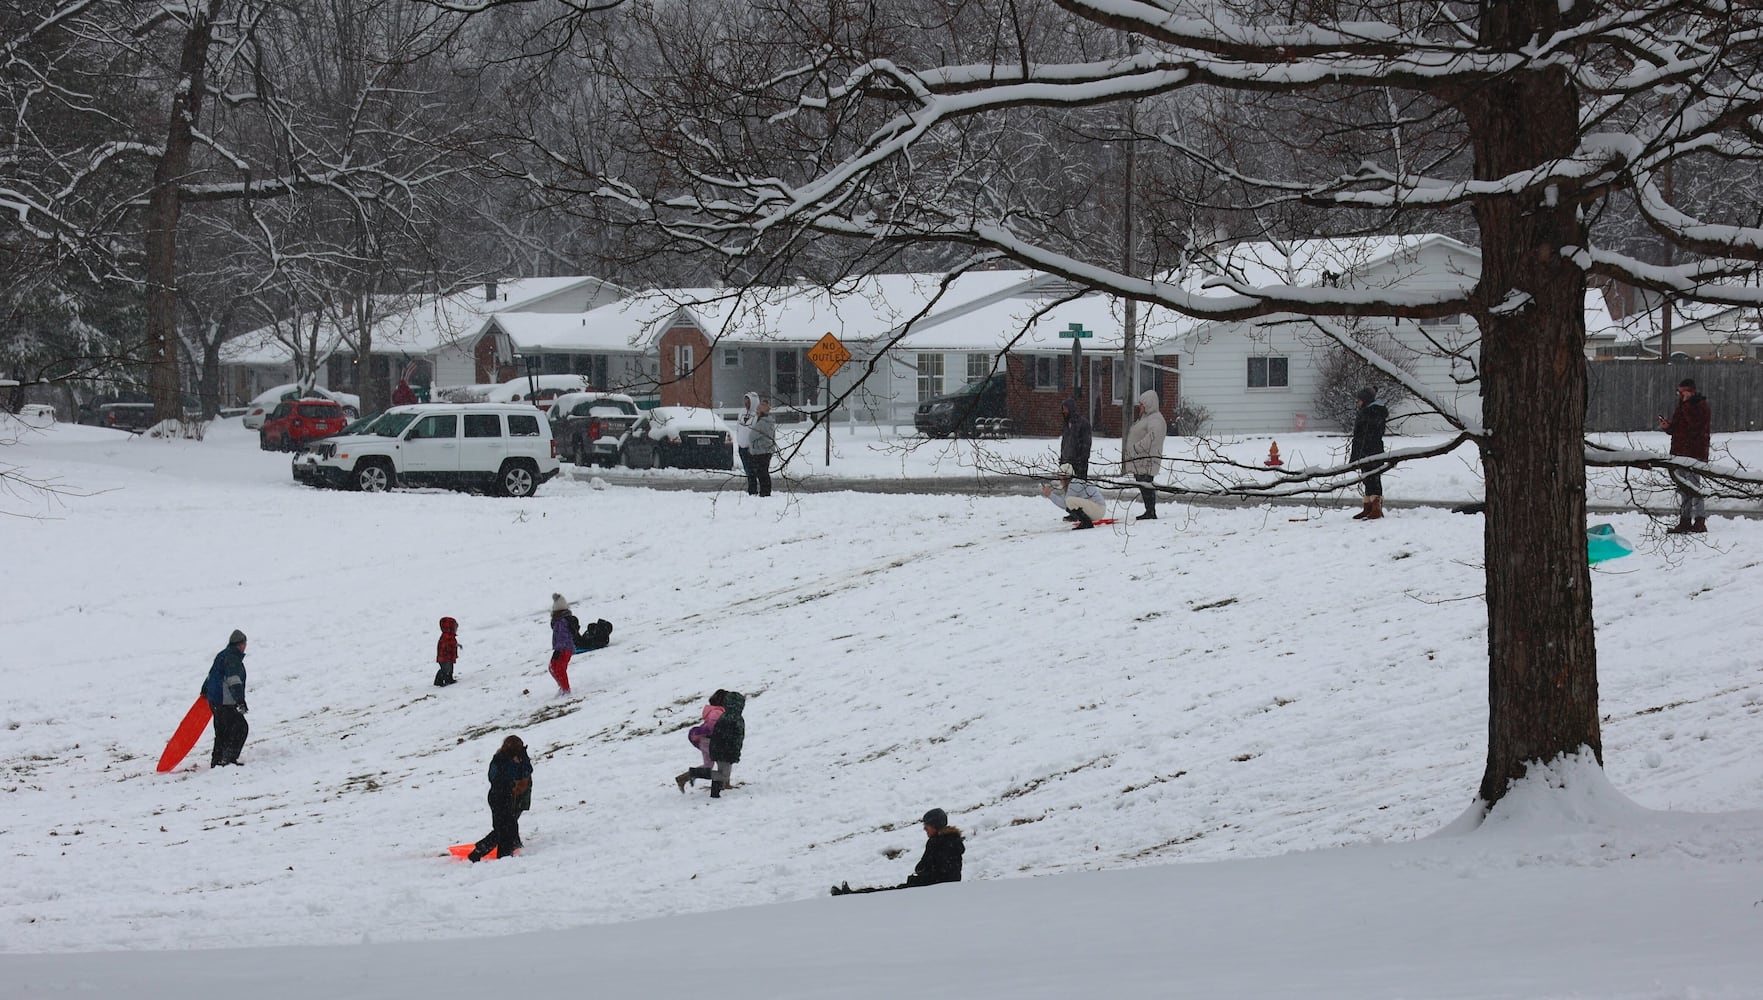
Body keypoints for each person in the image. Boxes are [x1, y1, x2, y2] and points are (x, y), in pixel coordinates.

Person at [832, 808, 965, 895]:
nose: (925, 828)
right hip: (932, 889)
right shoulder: (947, 841)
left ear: (935, 825)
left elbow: (934, 871)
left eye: (927, 825)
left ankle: (852, 896)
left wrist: (919, 878)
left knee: (889, 895)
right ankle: (853, 895)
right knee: (890, 893)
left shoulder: (940, 842)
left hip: (931, 890)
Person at [467, 735, 533, 862]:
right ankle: (485, 853)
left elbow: (527, 771)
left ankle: (501, 853)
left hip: (507, 796)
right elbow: (501, 776)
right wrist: (517, 763)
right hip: (498, 796)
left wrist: (523, 759)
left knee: (508, 826)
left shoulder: (514, 759)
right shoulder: (500, 759)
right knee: (503, 828)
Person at [1660, 377, 1711, 534]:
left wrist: (1687, 405)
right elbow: (1677, 428)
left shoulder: (1700, 406)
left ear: (1692, 391)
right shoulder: (1682, 407)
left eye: (1684, 392)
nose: (1681, 395)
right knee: (1683, 488)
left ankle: (1700, 521)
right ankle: (1685, 520)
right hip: (1679, 452)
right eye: (1679, 392)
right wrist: (1667, 427)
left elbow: (1695, 425)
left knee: (1694, 488)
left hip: (1694, 452)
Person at [202, 629, 249, 767]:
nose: (245, 646)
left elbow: (212, 674)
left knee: (222, 731)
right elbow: (234, 681)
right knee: (240, 728)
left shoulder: (222, 655)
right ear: (240, 644)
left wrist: (205, 690)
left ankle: (217, 760)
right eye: (244, 643)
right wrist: (240, 700)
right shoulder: (233, 658)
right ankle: (228, 759)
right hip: (225, 701)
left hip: (214, 700)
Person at [1123, 388, 1167, 520]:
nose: (1140, 407)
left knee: (1146, 485)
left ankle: (1150, 511)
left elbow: (1153, 437)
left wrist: (1137, 448)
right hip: (1140, 459)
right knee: (1143, 485)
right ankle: (1149, 510)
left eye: (1142, 404)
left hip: (1147, 460)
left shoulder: (1155, 419)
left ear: (1149, 404)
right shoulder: (1146, 418)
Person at [675, 689, 727, 791]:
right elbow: (711, 726)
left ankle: (683, 778)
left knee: (708, 766)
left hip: (705, 740)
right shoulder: (717, 712)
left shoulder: (715, 710)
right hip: (709, 741)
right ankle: (723, 784)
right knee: (724, 761)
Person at [1349, 387, 1388, 520]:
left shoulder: (1374, 412)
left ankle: (1376, 507)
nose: (1358, 403)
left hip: (1372, 449)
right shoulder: (1366, 412)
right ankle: (1368, 507)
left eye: (1359, 400)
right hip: (1364, 449)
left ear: (1365, 400)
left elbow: (1369, 433)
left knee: (1374, 477)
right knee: (1367, 477)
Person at [701, 689, 745, 798]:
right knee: (723, 774)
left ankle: (716, 791)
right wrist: (733, 750)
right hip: (724, 749)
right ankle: (696, 774)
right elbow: (735, 737)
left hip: (719, 748)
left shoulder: (726, 716)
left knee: (723, 772)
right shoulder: (733, 719)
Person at [1042, 463, 1106, 529]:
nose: (1059, 478)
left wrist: (1050, 495)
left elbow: (1065, 504)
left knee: (1070, 501)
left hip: (1098, 509)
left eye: (1060, 476)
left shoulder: (1074, 483)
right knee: (1069, 500)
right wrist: (1050, 495)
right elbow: (1065, 501)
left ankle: (1086, 523)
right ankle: (1084, 521)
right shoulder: (1073, 483)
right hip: (1097, 509)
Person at [748, 398, 776, 497]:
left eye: (758, 409)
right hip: (768, 450)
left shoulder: (762, 423)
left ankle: (764, 492)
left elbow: (751, 436)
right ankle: (766, 491)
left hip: (761, 451)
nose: (756, 411)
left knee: (762, 473)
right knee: (764, 472)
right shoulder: (770, 422)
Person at [1059, 397, 1092, 480]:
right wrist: (1062, 459)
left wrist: (1081, 460)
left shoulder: (1083, 423)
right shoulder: (1066, 424)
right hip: (1066, 463)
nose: (1064, 411)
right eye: (1063, 409)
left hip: (1079, 464)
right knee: (1067, 488)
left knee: (1078, 487)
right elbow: (1065, 443)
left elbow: (1086, 444)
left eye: (1065, 409)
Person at [735, 391, 760, 494]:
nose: (746, 403)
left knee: (752, 471)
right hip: (742, 446)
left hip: (751, 448)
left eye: (748, 401)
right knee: (747, 469)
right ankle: (751, 488)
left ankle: (753, 490)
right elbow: (738, 427)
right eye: (745, 401)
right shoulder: (742, 412)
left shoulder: (758, 415)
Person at [548, 594, 574, 695]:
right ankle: (562, 687)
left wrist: (559, 649)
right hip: (562, 648)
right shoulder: (559, 620)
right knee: (552, 667)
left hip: (564, 648)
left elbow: (563, 636)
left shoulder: (562, 621)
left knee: (558, 668)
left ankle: (566, 690)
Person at [434, 616, 459, 687]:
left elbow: (452, 643)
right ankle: (439, 681)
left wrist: (456, 645)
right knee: (445, 670)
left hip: (448, 657)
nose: (456, 629)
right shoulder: (446, 636)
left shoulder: (451, 636)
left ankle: (449, 679)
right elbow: (446, 645)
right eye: (455, 628)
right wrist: (450, 647)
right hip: (444, 658)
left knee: (450, 669)